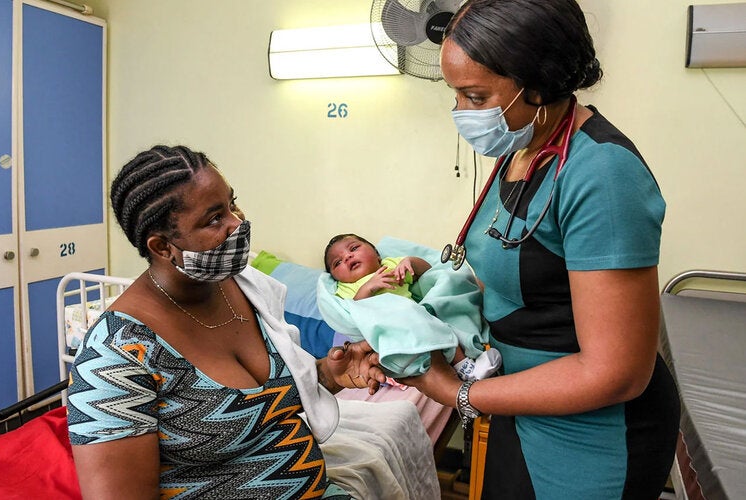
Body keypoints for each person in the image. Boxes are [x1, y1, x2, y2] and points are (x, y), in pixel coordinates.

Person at [400, 1, 681, 499]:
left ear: (538, 83)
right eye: (456, 95)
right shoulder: (521, 145)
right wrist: (409, 320)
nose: (461, 113)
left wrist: (457, 393)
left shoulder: (602, 175)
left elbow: (615, 373)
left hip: (594, 432)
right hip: (520, 403)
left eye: (475, 95)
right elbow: (506, 274)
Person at [66, 145, 388, 500]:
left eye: (232, 204)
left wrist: (329, 374)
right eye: (214, 218)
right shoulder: (116, 355)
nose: (239, 222)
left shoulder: (246, 286)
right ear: (161, 247)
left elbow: (273, 399)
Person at [320, 233, 501, 381]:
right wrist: (368, 287)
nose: (348, 257)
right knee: (429, 328)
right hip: (395, 325)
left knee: (443, 312)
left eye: (354, 248)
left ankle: (474, 347)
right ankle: (465, 368)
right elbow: (355, 310)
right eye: (338, 263)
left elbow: (429, 271)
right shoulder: (347, 288)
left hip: (417, 314)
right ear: (336, 278)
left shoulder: (389, 266)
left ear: (376, 254)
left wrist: (410, 263)